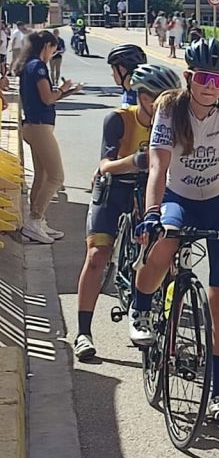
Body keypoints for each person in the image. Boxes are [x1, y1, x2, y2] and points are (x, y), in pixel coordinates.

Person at [131, 38, 219, 423]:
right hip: (179, 197)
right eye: (204, 78)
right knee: (164, 242)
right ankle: (141, 308)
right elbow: (158, 166)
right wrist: (152, 213)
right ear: (188, 77)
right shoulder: (170, 107)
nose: (210, 86)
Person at [72, 64, 181, 361]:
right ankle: (83, 333)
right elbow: (105, 166)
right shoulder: (119, 120)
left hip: (152, 191)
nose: (168, 106)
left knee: (170, 256)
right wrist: (138, 160)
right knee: (97, 256)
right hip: (115, 189)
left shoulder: (176, 123)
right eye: (162, 99)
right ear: (143, 97)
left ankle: (165, 331)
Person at [18, 31, 81, 243]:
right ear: (47, 46)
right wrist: (63, 88)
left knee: (42, 175)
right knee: (56, 176)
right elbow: (47, 98)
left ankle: (37, 220)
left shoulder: (29, 65)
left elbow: (46, 98)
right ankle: (34, 220)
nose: (53, 54)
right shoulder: (38, 66)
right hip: (39, 127)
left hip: (34, 125)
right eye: (53, 50)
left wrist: (67, 92)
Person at [106, 44, 148, 108]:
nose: (112, 74)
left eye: (114, 70)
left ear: (122, 70)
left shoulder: (140, 99)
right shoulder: (127, 90)